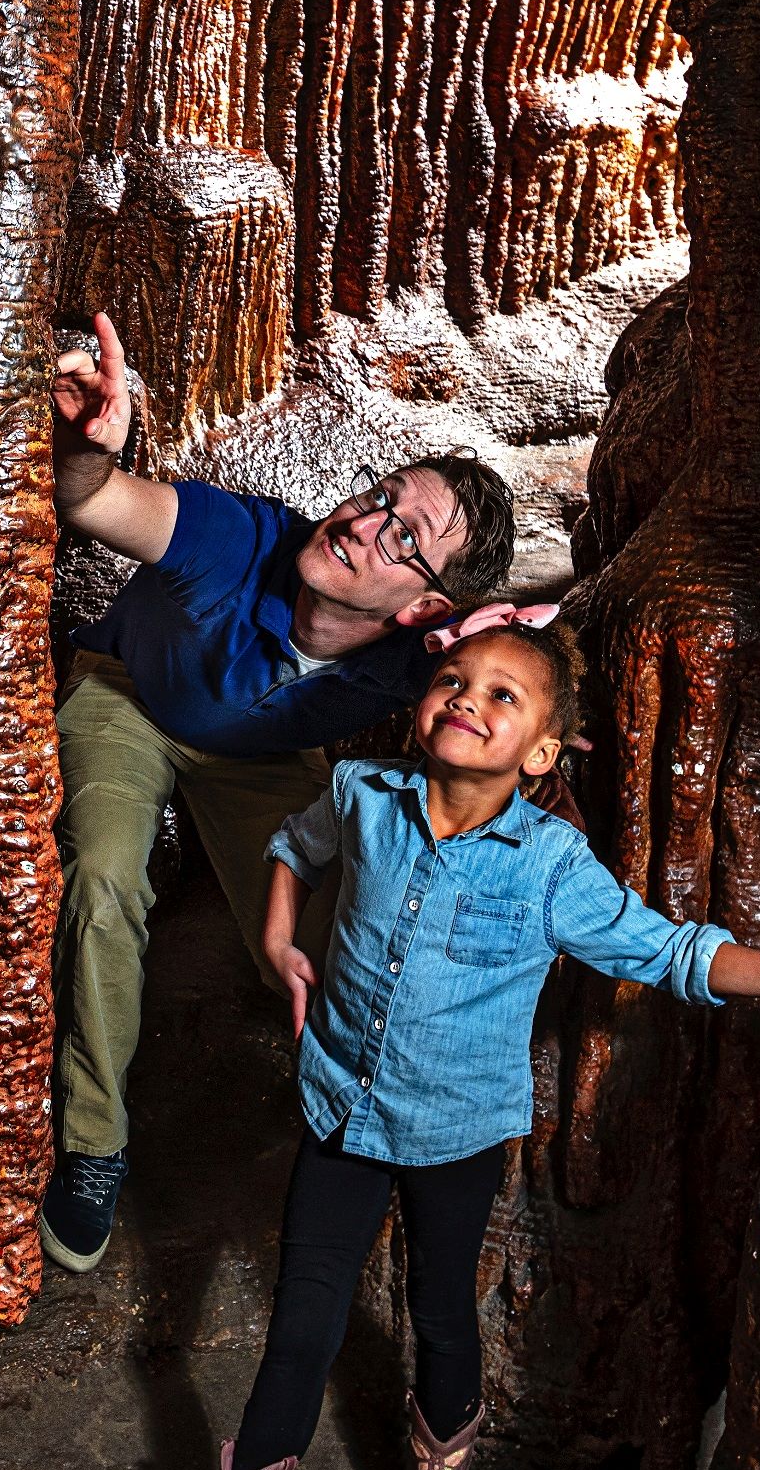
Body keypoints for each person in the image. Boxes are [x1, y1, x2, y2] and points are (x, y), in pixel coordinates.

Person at [164, 618, 760, 1470]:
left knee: (441, 1313)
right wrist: (280, 939)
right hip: (342, 1107)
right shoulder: (361, 793)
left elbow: (672, 952)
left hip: (457, 1130)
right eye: (453, 678)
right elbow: (295, 845)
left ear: (539, 754)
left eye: (503, 695)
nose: (467, 698)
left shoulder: (551, 866)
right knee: (301, 1327)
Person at [43, 311, 538, 1274]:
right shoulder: (236, 537)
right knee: (103, 882)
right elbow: (98, 501)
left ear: (425, 605)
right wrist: (87, 449)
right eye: (379, 496)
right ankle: (94, 1140)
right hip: (131, 699)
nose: (360, 521)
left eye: (402, 535)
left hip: (262, 755)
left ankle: (374, 1134)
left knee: (342, 931)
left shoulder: (425, 658)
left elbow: (533, 685)